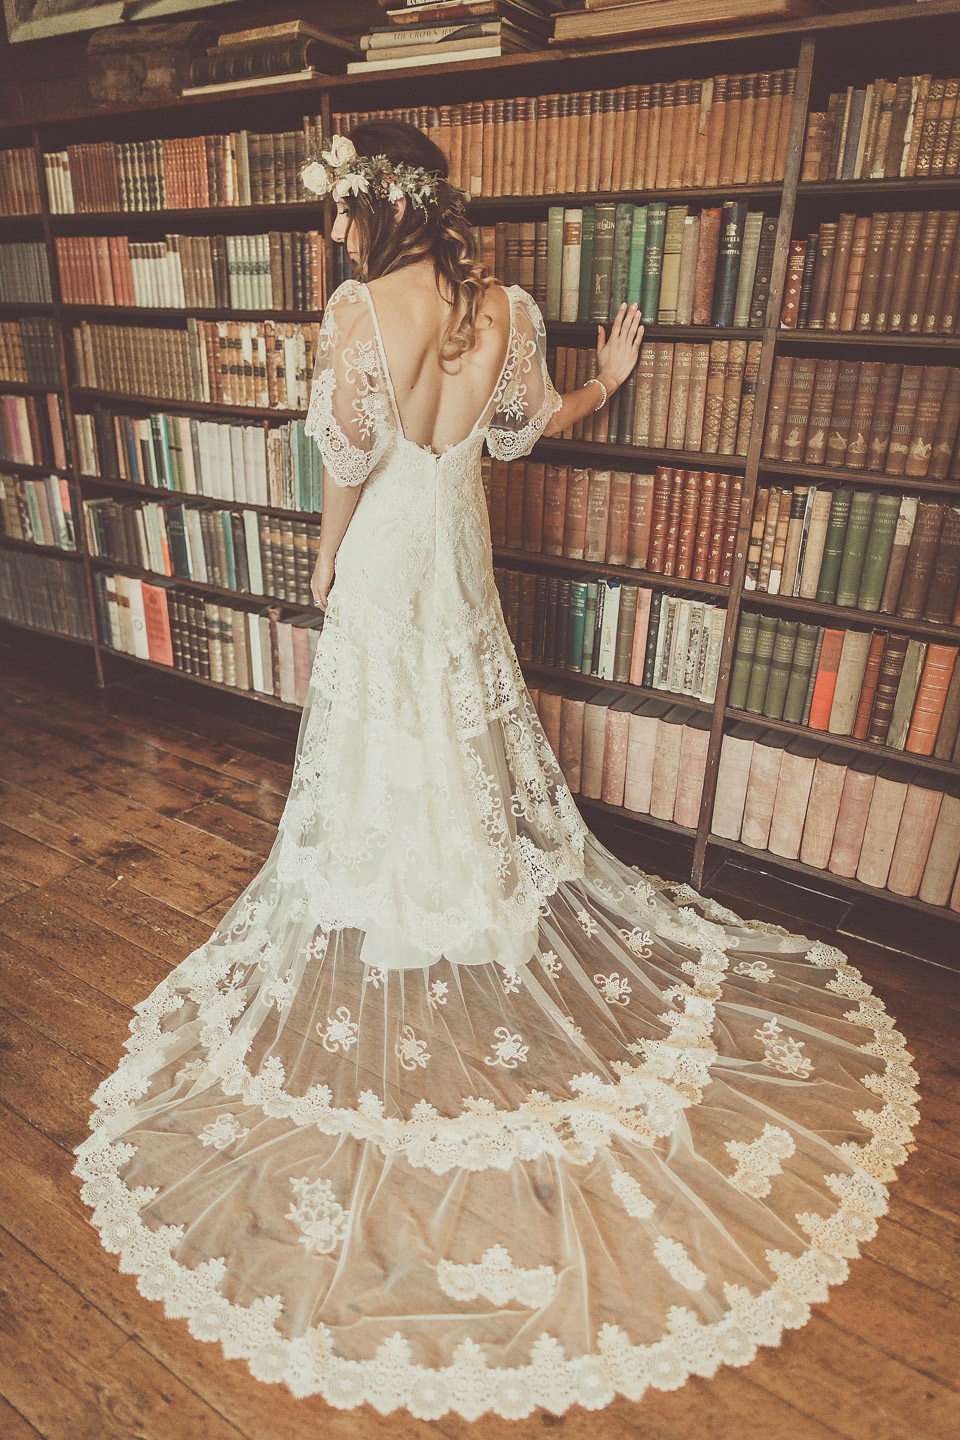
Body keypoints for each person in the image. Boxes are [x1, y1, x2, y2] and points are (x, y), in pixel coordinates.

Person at [74, 122, 918, 1422]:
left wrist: (324, 562)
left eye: (342, 212)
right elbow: (522, 434)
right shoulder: (503, 303)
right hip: (459, 546)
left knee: (384, 721)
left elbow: (347, 463)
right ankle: (466, 888)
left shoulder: (361, 311)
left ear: (372, 212)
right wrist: (614, 379)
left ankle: (397, 897)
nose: (336, 232)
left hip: (395, 546)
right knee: (463, 713)